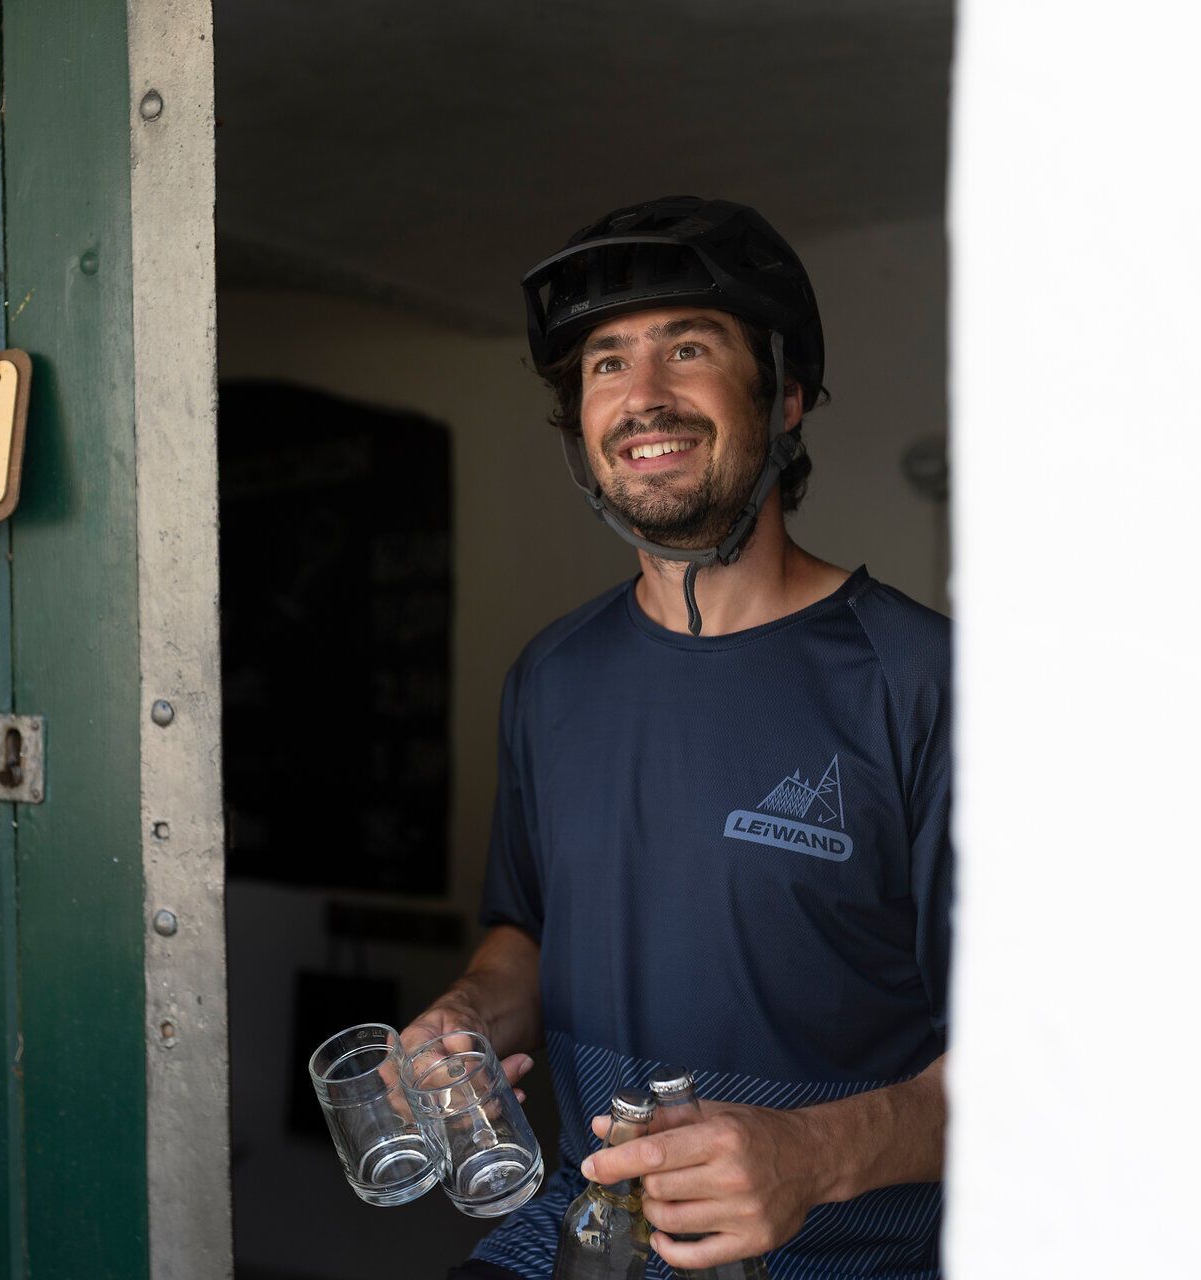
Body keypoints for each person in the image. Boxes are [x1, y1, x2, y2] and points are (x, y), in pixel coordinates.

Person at [405, 197, 951, 1279]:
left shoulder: (928, 682)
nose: (642, 395)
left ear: (786, 396)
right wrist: (467, 1014)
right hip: (586, 1233)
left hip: (847, 1253)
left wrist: (813, 1150)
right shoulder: (552, 678)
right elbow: (527, 932)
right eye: (605, 364)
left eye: (688, 348)